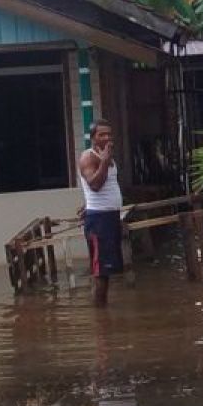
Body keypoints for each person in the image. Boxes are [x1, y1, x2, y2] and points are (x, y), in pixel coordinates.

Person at [79, 119, 123, 306]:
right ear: (93, 138)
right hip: (99, 220)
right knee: (100, 272)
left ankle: (103, 317)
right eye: (101, 135)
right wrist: (104, 161)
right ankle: (100, 321)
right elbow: (95, 185)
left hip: (111, 217)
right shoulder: (88, 157)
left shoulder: (108, 157)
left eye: (109, 134)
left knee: (108, 271)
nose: (106, 138)